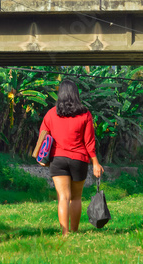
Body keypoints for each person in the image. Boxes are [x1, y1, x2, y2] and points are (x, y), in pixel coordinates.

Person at [39, 79, 104, 235]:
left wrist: (41, 158)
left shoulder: (50, 114)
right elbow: (89, 141)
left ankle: (65, 233)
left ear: (60, 94)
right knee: (75, 198)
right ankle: (74, 232)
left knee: (63, 197)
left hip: (58, 159)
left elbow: (43, 137)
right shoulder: (85, 114)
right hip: (79, 159)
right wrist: (95, 161)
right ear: (76, 94)